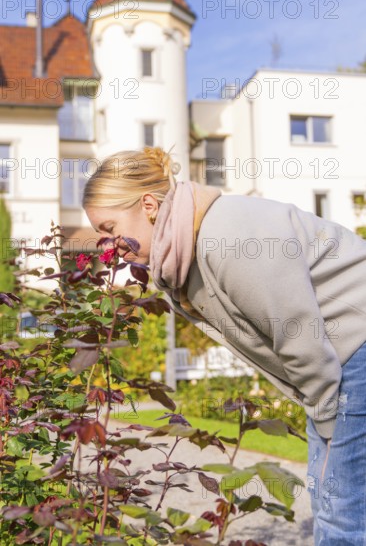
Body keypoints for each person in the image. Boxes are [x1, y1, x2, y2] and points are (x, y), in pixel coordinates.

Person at [83, 145, 366, 546]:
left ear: (148, 204)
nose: (109, 246)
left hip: (355, 347)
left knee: (344, 513)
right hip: (339, 359)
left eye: (109, 229)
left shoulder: (225, 234)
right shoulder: (179, 261)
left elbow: (295, 331)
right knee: (330, 499)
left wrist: (325, 415)